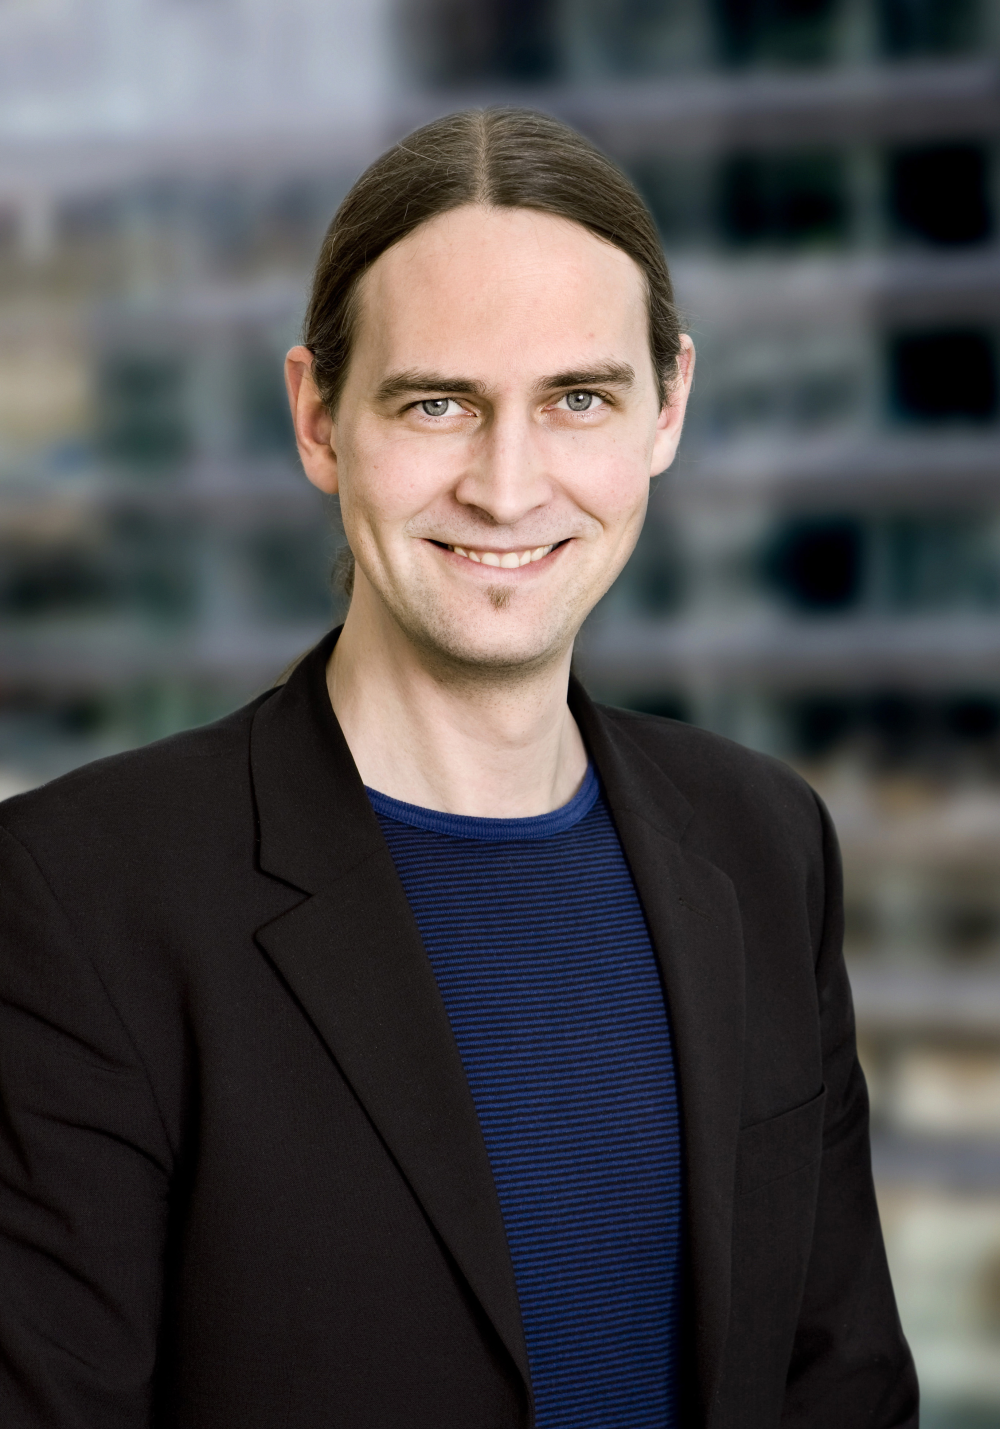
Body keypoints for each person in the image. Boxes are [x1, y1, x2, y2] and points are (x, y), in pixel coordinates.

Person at [0, 108, 917, 1429]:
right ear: (318, 418)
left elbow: (845, 1390)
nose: (507, 486)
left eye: (578, 400)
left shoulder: (766, 843)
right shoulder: (81, 898)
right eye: (438, 404)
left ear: (669, 408)